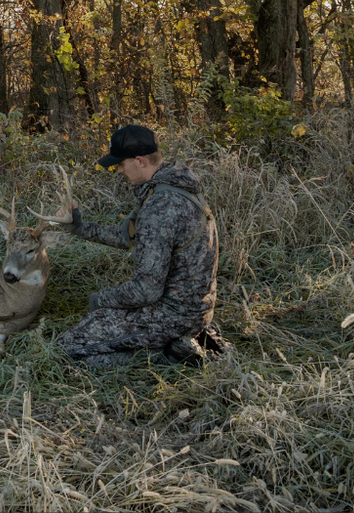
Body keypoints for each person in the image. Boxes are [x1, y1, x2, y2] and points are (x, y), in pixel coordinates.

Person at [51, 124, 228, 368]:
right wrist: (80, 228)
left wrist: (101, 299)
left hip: (174, 317)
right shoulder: (173, 186)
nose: (119, 170)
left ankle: (167, 356)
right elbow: (134, 237)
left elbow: (146, 290)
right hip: (193, 310)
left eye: (121, 163)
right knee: (99, 320)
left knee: (66, 348)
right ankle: (178, 343)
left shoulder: (161, 206)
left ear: (140, 160)